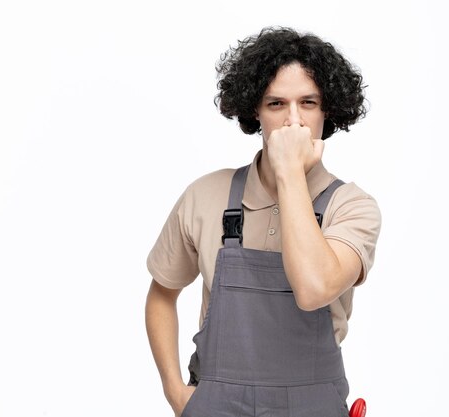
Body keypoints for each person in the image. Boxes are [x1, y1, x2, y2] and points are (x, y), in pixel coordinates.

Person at [145, 26, 382, 417]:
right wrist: (177, 394)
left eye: (308, 102)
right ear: (255, 109)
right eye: (276, 104)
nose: (293, 122)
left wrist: (289, 171)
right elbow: (161, 294)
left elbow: (313, 288)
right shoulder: (205, 196)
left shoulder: (352, 207)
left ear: (328, 110)